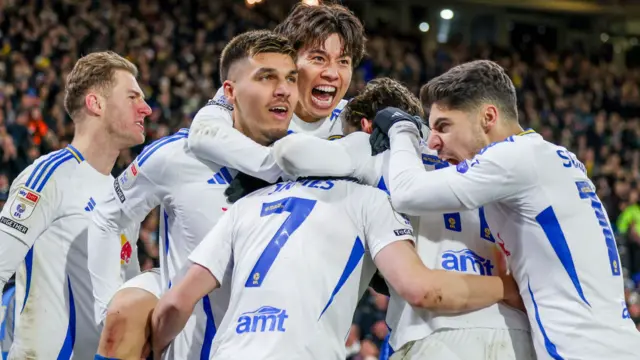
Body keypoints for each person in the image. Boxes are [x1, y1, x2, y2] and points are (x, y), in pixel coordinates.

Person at [372, 59, 640, 359]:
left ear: (488, 116)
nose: (434, 141)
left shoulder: (514, 158)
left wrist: (402, 128)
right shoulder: (550, 157)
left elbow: (407, 192)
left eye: (444, 127)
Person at [270, 77, 534, 359]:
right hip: (516, 331)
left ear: (366, 126)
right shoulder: (467, 150)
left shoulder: (375, 146)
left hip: (435, 332)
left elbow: (292, 153)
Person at [89, 30, 299, 360]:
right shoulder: (176, 156)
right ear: (229, 91)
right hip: (187, 346)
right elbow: (106, 217)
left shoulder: (311, 170)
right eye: (266, 77)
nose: (283, 90)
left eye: (291, 78)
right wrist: (107, 302)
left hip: (277, 344)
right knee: (123, 311)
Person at [151, 175, 522, 359]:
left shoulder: (246, 204)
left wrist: (156, 346)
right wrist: (509, 288)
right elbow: (421, 288)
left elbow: (175, 304)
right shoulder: (371, 200)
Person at [0, 51, 151, 359]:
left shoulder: (124, 197)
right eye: (133, 97)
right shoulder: (49, 177)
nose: (146, 109)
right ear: (96, 104)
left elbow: (129, 299)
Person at [186, 2, 366, 184]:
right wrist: (280, 164)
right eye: (318, 58)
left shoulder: (355, 118)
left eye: (343, 61)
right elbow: (202, 133)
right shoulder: (251, 98)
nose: (332, 73)